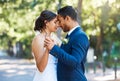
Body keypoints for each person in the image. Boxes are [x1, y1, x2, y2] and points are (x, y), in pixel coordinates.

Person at [44, 6, 89, 81]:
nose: (58, 25)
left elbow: (75, 62)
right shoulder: (70, 35)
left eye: (59, 20)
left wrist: (54, 48)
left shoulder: (80, 36)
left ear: (67, 18)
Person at [32, 10, 59, 81]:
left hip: (55, 76)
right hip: (44, 77)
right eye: (55, 22)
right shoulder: (38, 39)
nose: (58, 25)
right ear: (46, 22)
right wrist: (47, 49)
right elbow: (40, 67)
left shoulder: (55, 38)